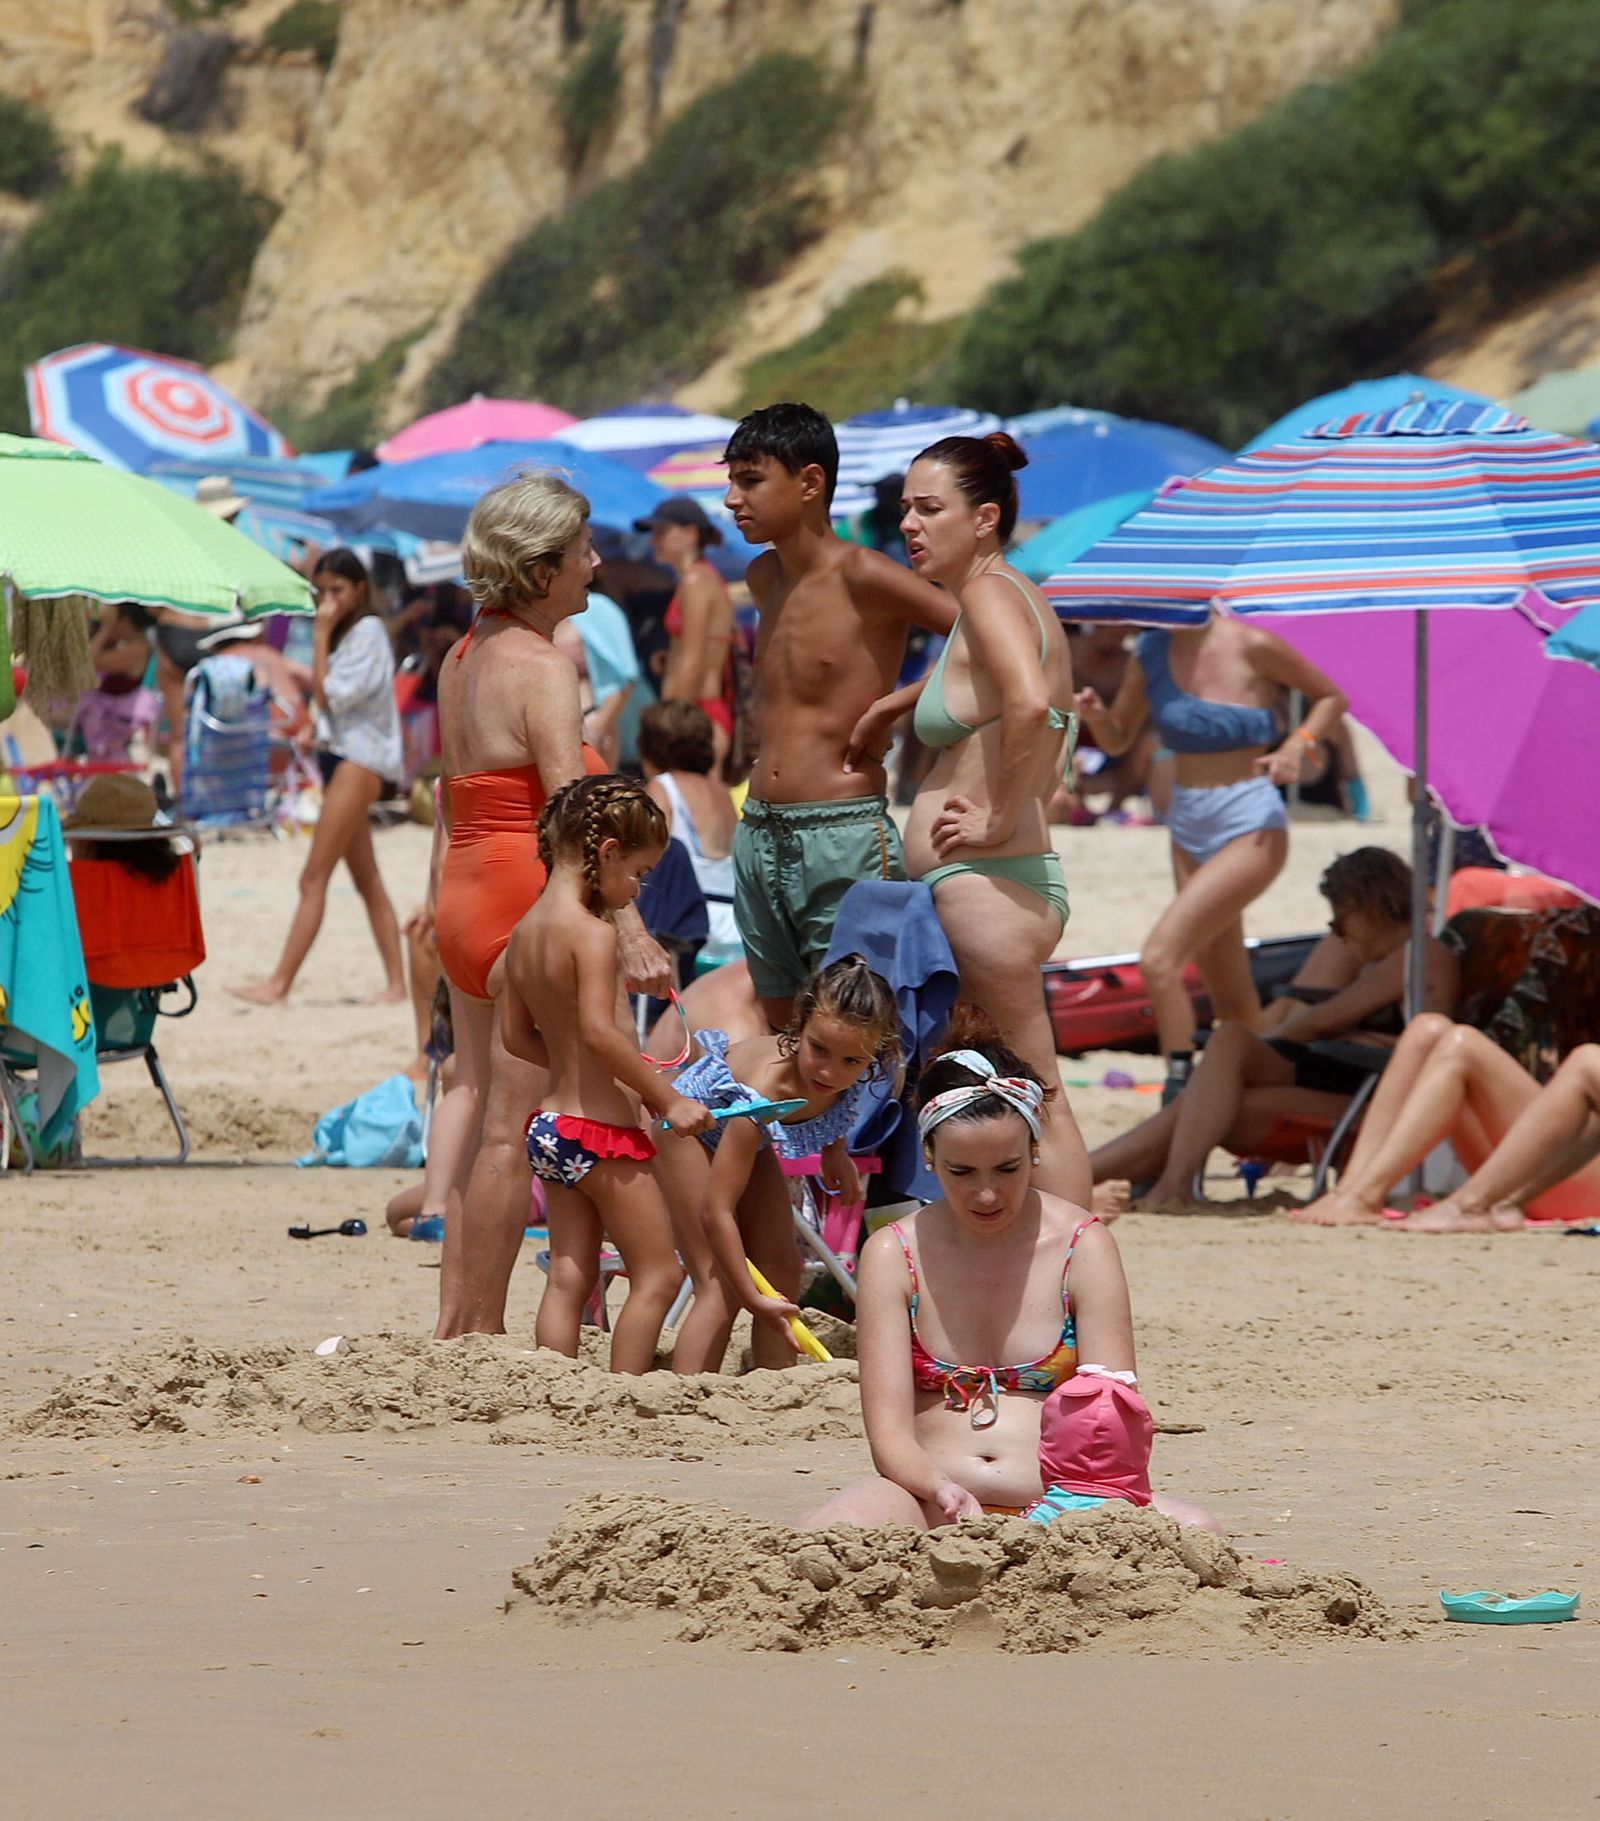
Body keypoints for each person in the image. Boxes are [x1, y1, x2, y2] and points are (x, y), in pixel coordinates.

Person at [430, 473, 672, 1340]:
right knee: (507, 1126)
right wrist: (631, 924)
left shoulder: (461, 659)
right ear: (541, 573)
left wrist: (435, 905)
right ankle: (481, 1335)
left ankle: (455, 1320)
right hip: (517, 899)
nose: (598, 564)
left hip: (463, 892)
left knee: (479, 1108)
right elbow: (580, 812)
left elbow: (448, 796)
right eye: (582, 552)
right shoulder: (541, 665)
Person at [801, 1028, 1213, 1529]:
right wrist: (942, 1489)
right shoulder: (894, 1253)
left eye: (1007, 1168)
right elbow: (888, 1435)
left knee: (1198, 1531)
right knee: (828, 1533)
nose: (987, 1194)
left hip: (1065, 1504)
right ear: (929, 1157)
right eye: (962, 1172)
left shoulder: (1083, 1246)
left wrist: (1071, 1508)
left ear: (1034, 1148)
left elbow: (1111, 1419)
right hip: (930, 1499)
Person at [844, 433, 1091, 1204]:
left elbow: (1028, 702)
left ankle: (1077, 1278)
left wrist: (992, 814)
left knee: (1037, 1091)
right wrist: (896, 702)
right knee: (1006, 1086)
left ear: (984, 517)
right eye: (906, 509)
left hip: (989, 878)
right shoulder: (1004, 593)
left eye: (929, 508)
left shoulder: (986, 594)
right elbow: (996, 691)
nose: (910, 524)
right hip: (999, 880)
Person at [722, 402, 956, 1030]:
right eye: (732, 480)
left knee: (853, 1034)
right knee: (785, 1034)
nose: (730, 499)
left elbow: (985, 634)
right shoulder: (763, 575)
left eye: (749, 481)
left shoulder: (863, 573)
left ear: (809, 483)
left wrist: (897, 705)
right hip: (759, 830)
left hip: (843, 832)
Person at [1090, 848, 1458, 1209]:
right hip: (1357, 1082)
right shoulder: (1393, 960)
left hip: (1379, 1102)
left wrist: (1277, 1040)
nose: (1339, 936)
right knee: (1225, 1058)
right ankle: (1100, 1178)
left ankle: (1136, 1180)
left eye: (1340, 922)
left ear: (1372, 910)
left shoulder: (1417, 955)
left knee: (1218, 1091)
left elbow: (1322, 1020)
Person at [1077, 611, 1346, 1103]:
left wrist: (1296, 744)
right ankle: (1267, 1097)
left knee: (1161, 960)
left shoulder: (1252, 643)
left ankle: (1180, 1097)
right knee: (1233, 999)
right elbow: (1119, 736)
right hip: (1186, 821)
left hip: (1249, 815)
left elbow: (1331, 696)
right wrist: (1097, 716)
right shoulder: (1151, 653)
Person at [501, 775, 712, 1372]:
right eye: (638, 874)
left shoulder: (523, 934)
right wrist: (665, 1098)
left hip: (548, 1128)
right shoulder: (592, 936)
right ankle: (625, 1393)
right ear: (608, 854)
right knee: (659, 1273)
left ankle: (556, 1388)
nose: (636, 891)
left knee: (570, 1273)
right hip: (600, 1135)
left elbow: (519, 1037)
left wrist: (574, 1062)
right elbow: (599, 1031)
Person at [655, 954, 902, 1374]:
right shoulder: (765, 1090)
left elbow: (835, 1098)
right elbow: (716, 1211)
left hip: (744, 1137)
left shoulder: (847, 1070)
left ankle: (776, 1381)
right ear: (798, 1027)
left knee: (785, 1266)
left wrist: (834, 1151)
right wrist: (752, 1297)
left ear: (872, 1058)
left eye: (851, 1062)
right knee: (720, 1283)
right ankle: (685, 1396)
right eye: (818, 1049)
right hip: (689, 1129)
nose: (829, 1070)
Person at [230, 548, 406, 1005]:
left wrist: (322, 631)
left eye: (337, 591)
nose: (328, 600)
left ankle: (280, 984)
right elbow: (332, 704)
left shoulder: (366, 632)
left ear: (359, 590)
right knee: (368, 882)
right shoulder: (355, 632)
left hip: (359, 762)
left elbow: (332, 695)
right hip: (344, 756)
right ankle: (397, 984)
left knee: (313, 878)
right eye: (321, 592)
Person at [1297, 1024, 1600, 1231]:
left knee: (1464, 1046)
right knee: (1427, 1031)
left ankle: (1471, 1205)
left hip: (1580, 1189)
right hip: (1564, 1165)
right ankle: (1354, 1190)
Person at [153, 475, 249, 795]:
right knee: (226, 726)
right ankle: (222, 799)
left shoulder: (178, 546)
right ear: (232, 515)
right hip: (210, 636)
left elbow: (154, 604)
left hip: (171, 630)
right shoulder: (233, 551)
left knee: (179, 733)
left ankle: (185, 807)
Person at [638, 699, 740, 970]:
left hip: (691, 927)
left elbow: (651, 857)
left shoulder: (663, 786)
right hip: (734, 925)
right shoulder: (723, 793)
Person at [642, 497, 737, 760]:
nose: (653, 541)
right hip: (699, 714)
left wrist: (668, 722)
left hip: (695, 715)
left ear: (690, 533)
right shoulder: (700, 578)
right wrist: (671, 655)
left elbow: (693, 661)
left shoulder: (696, 581)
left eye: (661, 532)